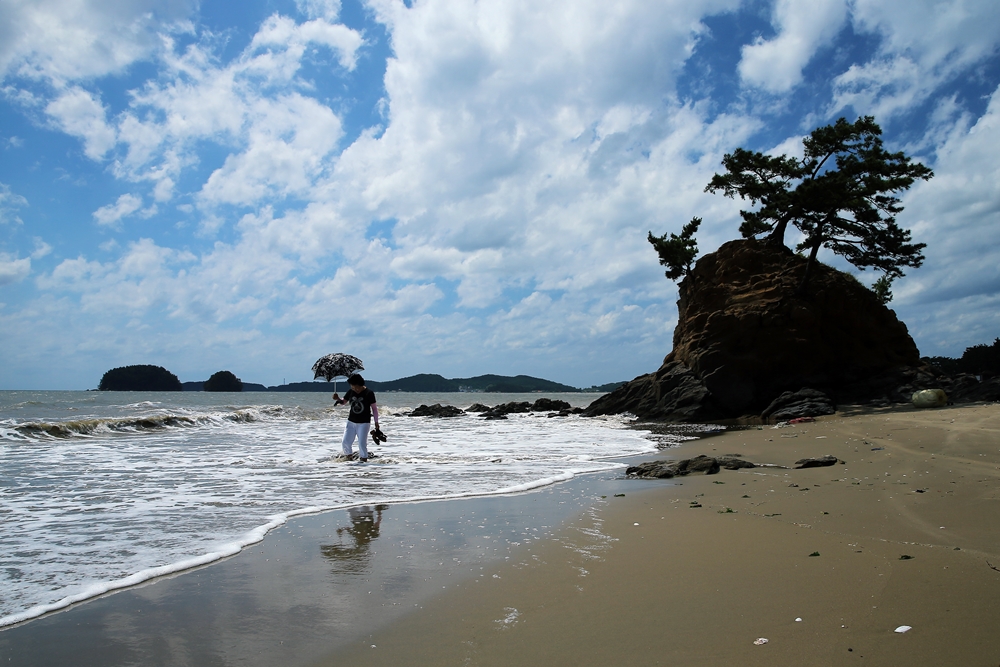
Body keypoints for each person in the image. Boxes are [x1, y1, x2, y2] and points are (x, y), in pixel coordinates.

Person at [332, 373, 379, 462]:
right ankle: (349, 460)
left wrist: (376, 422)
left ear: (360, 384)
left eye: (356, 387)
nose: (354, 389)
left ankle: (363, 461)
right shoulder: (350, 392)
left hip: (364, 422)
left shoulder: (369, 393)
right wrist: (337, 398)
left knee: (362, 444)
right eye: (352, 387)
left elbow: (374, 409)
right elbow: (343, 402)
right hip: (351, 421)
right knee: (345, 442)